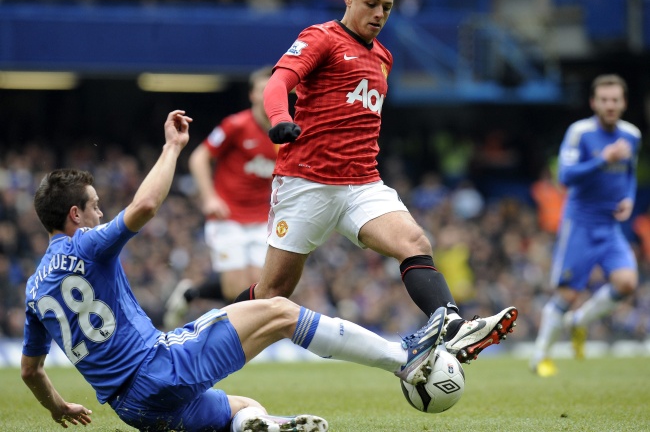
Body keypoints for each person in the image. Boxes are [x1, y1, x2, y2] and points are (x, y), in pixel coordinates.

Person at [20, 110, 452, 432]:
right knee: (279, 310)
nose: (100, 214)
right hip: (160, 366)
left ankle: (262, 426)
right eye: (95, 206)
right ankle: (403, 360)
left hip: (132, 409)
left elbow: (31, 371)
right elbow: (145, 205)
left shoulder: (35, 291)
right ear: (75, 214)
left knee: (244, 408)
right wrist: (172, 147)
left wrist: (58, 407)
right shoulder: (86, 244)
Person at [233, 0, 518, 364]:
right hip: (307, 181)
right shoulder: (321, 37)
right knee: (272, 293)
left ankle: (453, 327)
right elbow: (279, 81)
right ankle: (203, 341)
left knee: (414, 242)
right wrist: (280, 118)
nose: (380, 14)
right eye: (371, 3)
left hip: (362, 184)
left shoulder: (383, 56)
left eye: (387, 7)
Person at [530, 74, 641, 377]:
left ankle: (580, 321)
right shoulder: (580, 133)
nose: (610, 105)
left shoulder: (631, 135)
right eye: (604, 100)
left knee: (627, 283)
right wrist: (602, 159)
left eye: (615, 100)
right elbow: (565, 177)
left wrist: (629, 198)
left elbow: (629, 174)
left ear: (624, 103)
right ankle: (540, 356)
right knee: (566, 295)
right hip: (579, 224)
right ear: (593, 102)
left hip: (609, 226)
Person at [164, 66, 277, 329]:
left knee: (260, 290)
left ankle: (192, 294)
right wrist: (209, 197)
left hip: (262, 219)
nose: (268, 95)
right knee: (236, 288)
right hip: (228, 216)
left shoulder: (284, 131)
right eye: (263, 90)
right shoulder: (236, 125)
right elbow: (199, 157)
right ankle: (215, 330)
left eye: (273, 90)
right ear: (252, 95)